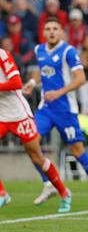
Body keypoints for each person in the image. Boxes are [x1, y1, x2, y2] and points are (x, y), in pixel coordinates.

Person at [23, 17, 88, 207]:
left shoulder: (68, 51)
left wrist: (59, 92)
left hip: (65, 109)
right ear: (43, 32)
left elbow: (81, 78)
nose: (51, 32)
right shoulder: (39, 50)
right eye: (48, 28)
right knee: (30, 143)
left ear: (61, 31)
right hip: (46, 108)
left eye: (55, 28)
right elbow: (42, 72)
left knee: (77, 150)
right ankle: (48, 184)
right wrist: (32, 83)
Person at [0, 47, 71, 212]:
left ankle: (64, 192)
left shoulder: (2, 55)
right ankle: (2, 194)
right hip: (2, 116)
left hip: (19, 115)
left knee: (36, 157)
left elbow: (16, 83)